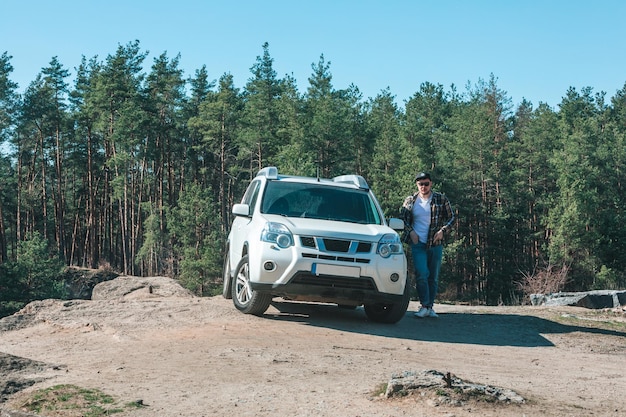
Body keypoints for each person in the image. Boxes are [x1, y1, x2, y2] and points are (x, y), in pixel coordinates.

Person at [400, 172, 455, 318]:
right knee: (422, 274)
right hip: (418, 243)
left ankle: (430, 306)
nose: (423, 186)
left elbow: (452, 217)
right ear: (417, 185)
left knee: (433, 276)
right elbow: (402, 218)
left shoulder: (440, 199)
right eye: (420, 184)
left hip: (435, 243)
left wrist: (443, 231)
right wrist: (411, 231)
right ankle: (424, 305)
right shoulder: (410, 200)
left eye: (426, 183)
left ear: (431, 183)